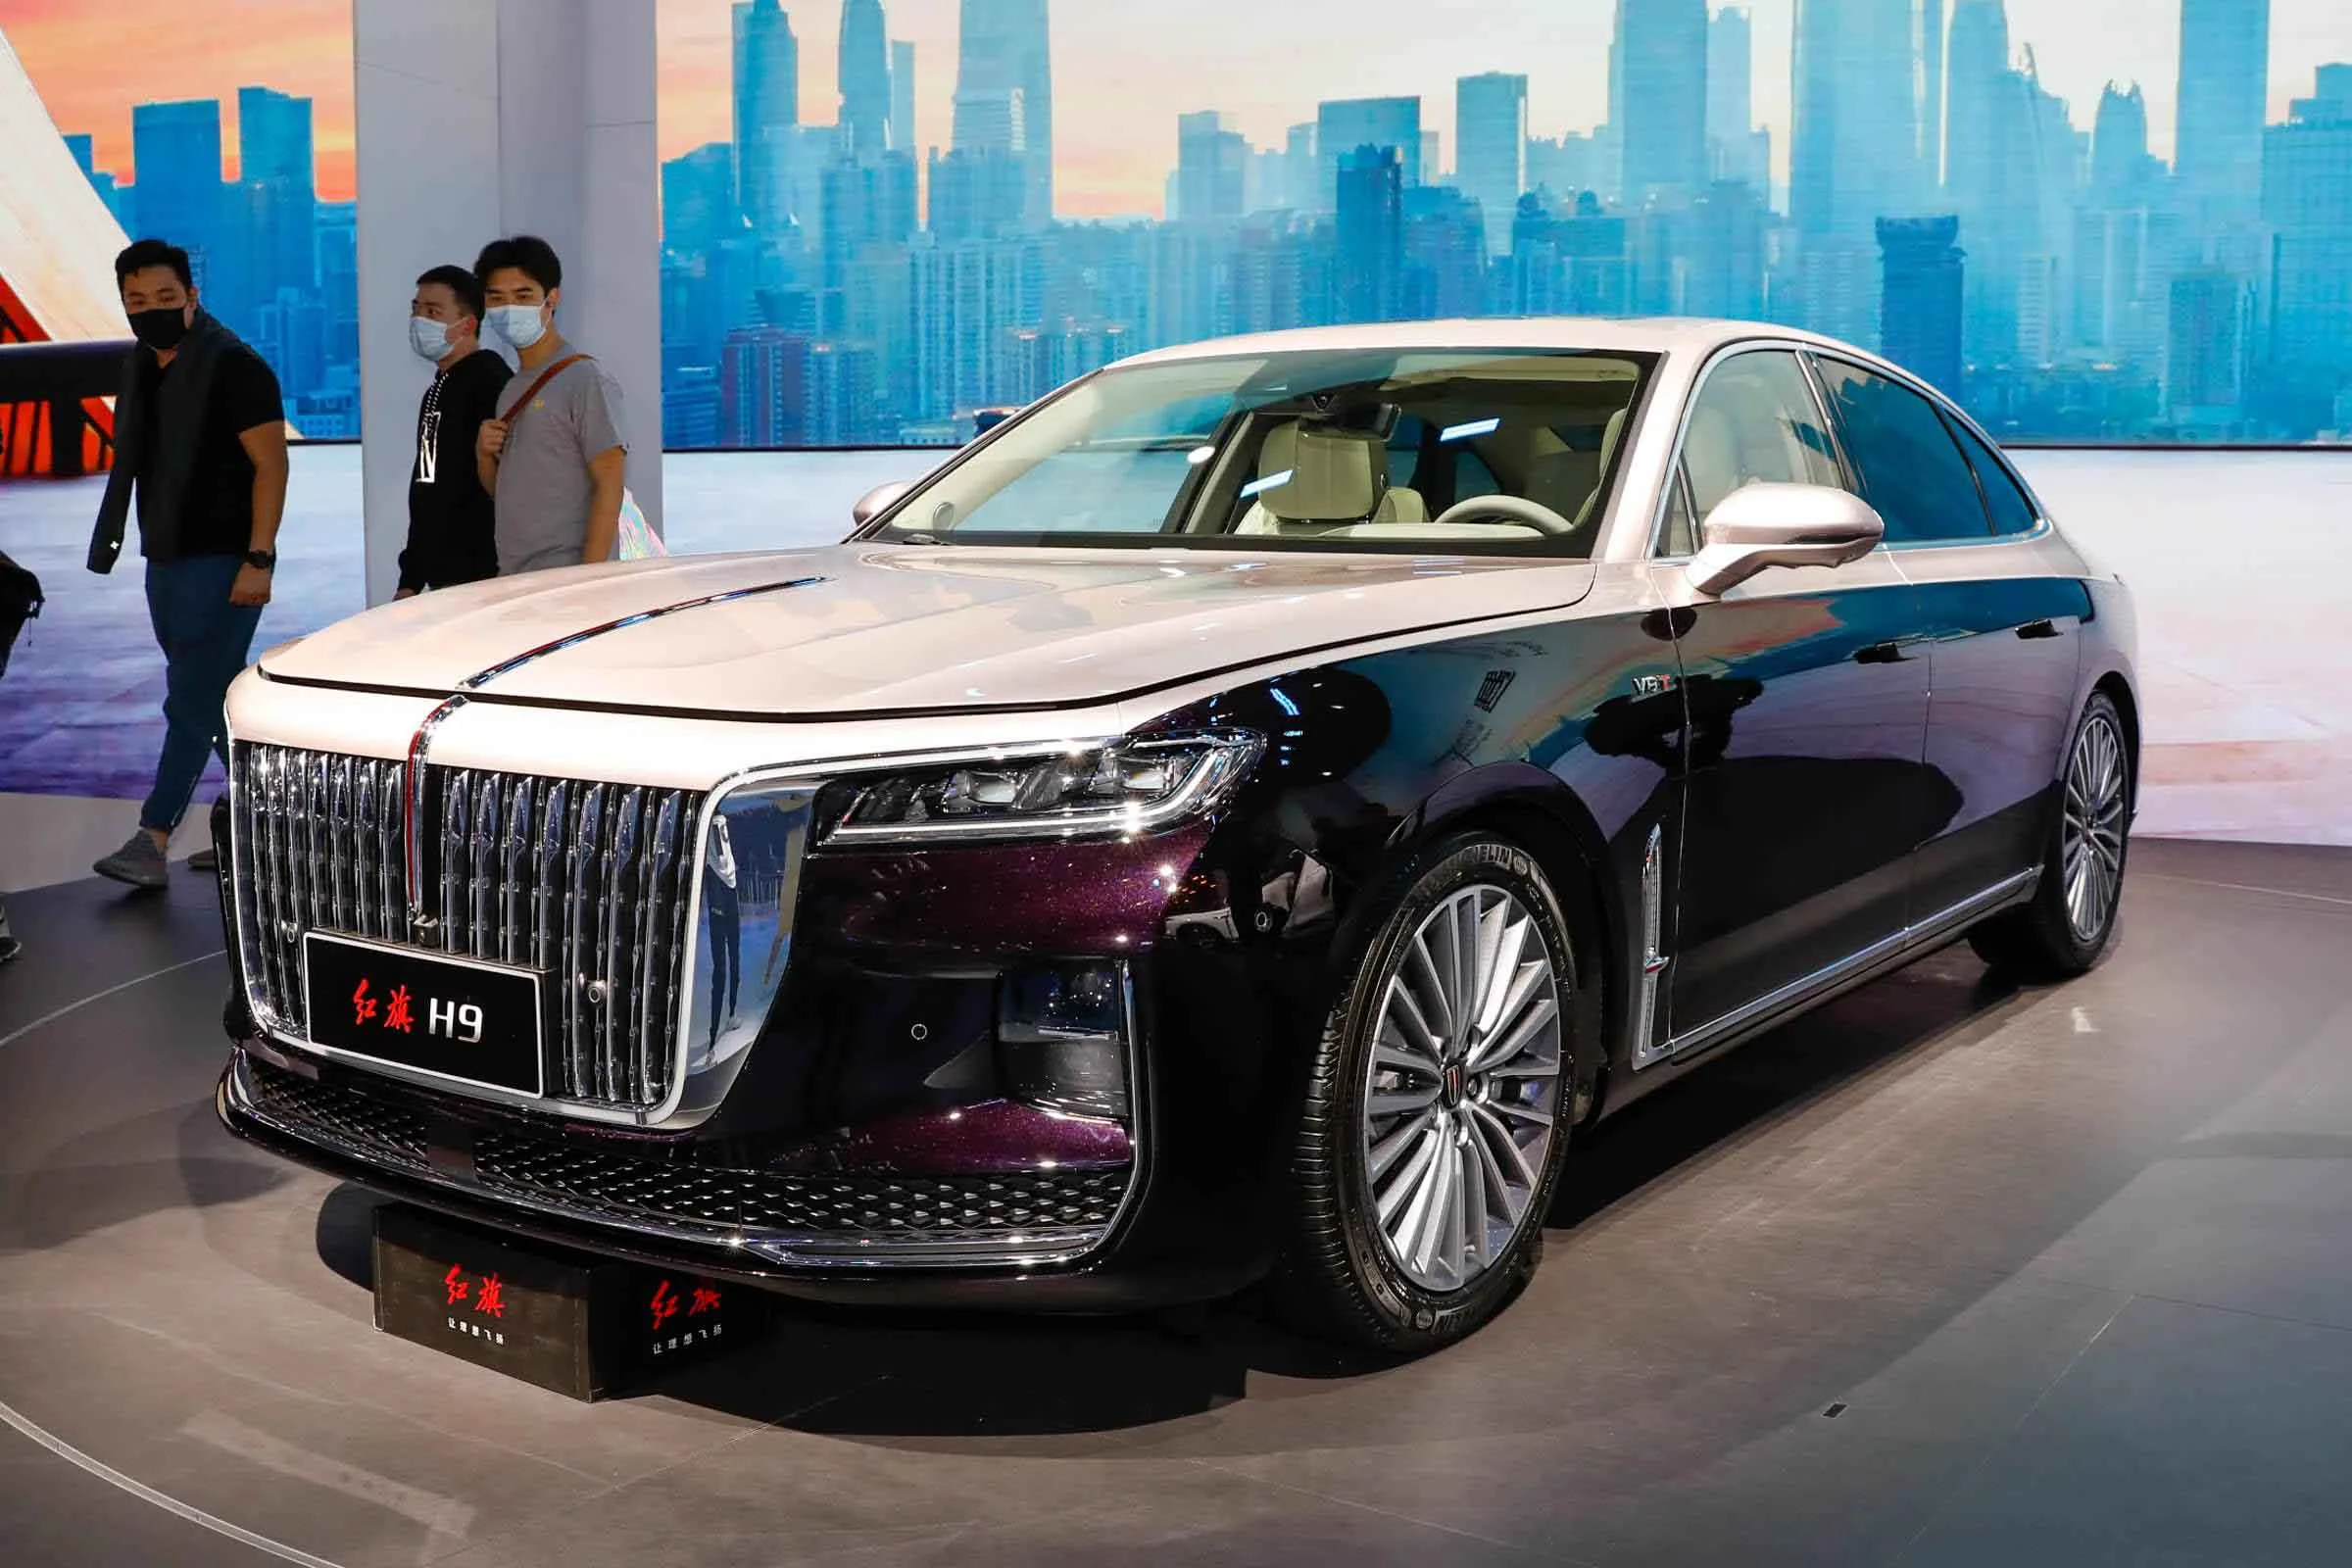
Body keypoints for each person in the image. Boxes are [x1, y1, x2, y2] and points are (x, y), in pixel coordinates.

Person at [86, 239, 286, 890]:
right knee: (212, 700)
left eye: (165, 297)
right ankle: (275, 832)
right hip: (166, 557)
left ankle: (153, 835)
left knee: (190, 699)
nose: (151, 310)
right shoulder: (142, 367)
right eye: (137, 301)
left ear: (192, 295)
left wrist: (258, 558)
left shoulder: (235, 366)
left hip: (224, 561)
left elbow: (271, 466)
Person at [472, 236, 628, 575]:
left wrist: (586, 581)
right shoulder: (511, 389)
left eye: (523, 295)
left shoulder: (585, 378)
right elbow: (509, 493)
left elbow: (610, 484)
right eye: (496, 298)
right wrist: (484, 455)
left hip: (563, 576)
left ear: (552, 298)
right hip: (515, 573)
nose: (509, 308)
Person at [397, 265, 511, 597]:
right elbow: (427, 484)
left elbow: (508, 482)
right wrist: (411, 579)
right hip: (446, 579)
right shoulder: (438, 390)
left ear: (467, 325)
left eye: (433, 312)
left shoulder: (492, 383)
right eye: (416, 309)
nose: (419, 320)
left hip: (484, 577)